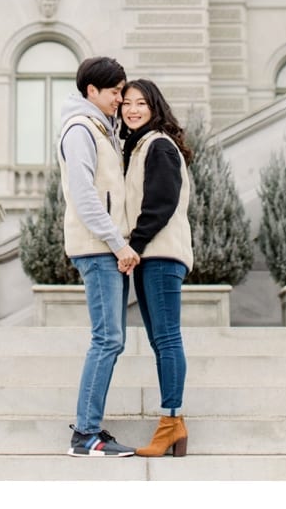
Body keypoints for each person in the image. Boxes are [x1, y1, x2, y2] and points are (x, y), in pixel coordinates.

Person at [57, 55, 140, 457]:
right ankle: (85, 435)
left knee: (109, 339)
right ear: (91, 91)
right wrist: (118, 242)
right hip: (98, 247)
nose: (120, 99)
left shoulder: (101, 129)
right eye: (114, 91)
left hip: (104, 247)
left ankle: (89, 431)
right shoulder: (79, 130)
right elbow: (84, 197)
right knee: (107, 339)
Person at [119, 78, 194, 458]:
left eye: (140, 103)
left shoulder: (159, 146)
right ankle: (173, 424)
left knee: (166, 339)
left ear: (154, 107)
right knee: (160, 339)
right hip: (153, 256)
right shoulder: (142, 146)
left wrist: (133, 245)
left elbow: (160, 204)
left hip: (160, 255)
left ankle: (171, 421)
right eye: (126, 103)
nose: (132, 109)